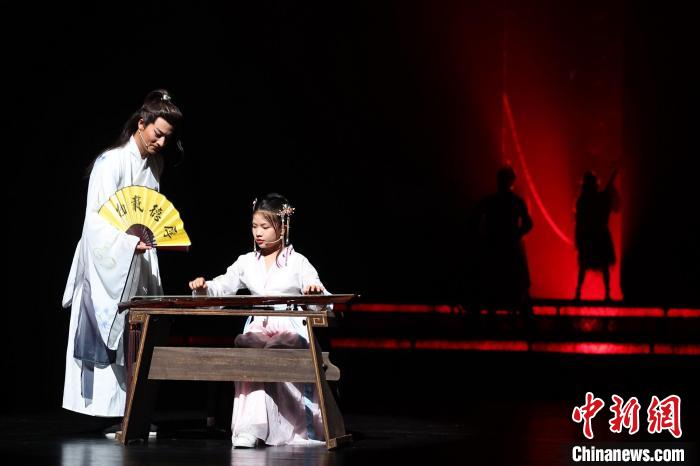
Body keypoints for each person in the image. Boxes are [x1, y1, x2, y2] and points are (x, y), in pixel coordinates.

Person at [62, 89, 184, 419]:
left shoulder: (155, 164)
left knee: (138, 331)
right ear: (141, 124)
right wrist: (127, 243)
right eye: (157, 133)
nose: (161, 142)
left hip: (139, 261)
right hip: (109, 260)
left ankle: (132, 412)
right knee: (110, 327)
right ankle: (110, 414)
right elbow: (96, 219)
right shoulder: (111, 161)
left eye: (167, 137)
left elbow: (149, 213)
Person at [188, 193, 328, 448]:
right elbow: (222, 286)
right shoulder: (246, 262)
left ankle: (288, 426)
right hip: (258, 328)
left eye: (265, 226)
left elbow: (321, 295)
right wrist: (204, 288)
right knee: (248, 350)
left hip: (289, 327)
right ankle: (250, 428)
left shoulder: (297, 262)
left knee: (275, 350)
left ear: (282, 228)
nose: (258, 233)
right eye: (254, 226)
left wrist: (314, 293)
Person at [474, 165, 533, 314]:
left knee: (494, 281)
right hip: (509, 246)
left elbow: (475, 219)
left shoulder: (490, 201)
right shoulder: (516, 201)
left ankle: (493, 315)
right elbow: (528, 224)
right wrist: (516, 234)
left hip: (495, 246)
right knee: (514, 282)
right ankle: (518, 316)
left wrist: (484, 235)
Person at [574, 168, 620, 301]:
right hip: (594, 235)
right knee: (590, 265)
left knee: (593, 266)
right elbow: (580, 221)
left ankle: (581, 293)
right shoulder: (584, 201)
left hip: (593, 235)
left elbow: (580, 221)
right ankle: (603, 293)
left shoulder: (584, 200)